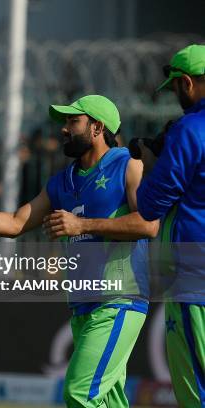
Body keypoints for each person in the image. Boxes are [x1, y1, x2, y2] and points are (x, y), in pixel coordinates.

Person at [0, 95, 159, 407]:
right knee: (108, 401)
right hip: (84, 305)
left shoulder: (128, 165)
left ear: (97, 128)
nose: (64, 130)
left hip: (119, 299)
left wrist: (82, 226)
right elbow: (16, 222)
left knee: (80, 393)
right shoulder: (62, 181)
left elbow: (148, 224)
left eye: (73, 122)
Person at [136, 44, 205, 408]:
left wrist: (149, 162)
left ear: (188, 83)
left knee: (196, 389)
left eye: (176, 87)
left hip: (194, 275)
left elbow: (150, 206)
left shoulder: (190, 129)